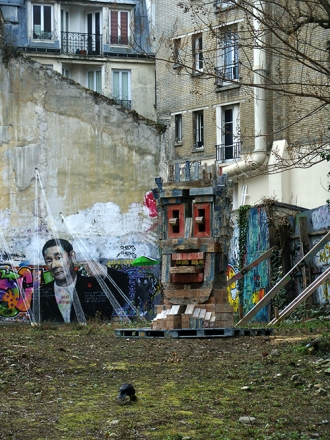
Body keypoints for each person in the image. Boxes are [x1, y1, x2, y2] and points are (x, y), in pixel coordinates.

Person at [36, 238, 129, 323]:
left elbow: (125, 289)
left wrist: (104, 272)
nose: (54, 265)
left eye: (58, 258)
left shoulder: (93, 287)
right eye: (48, 261)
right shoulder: (40, 295)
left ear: (72, 256)